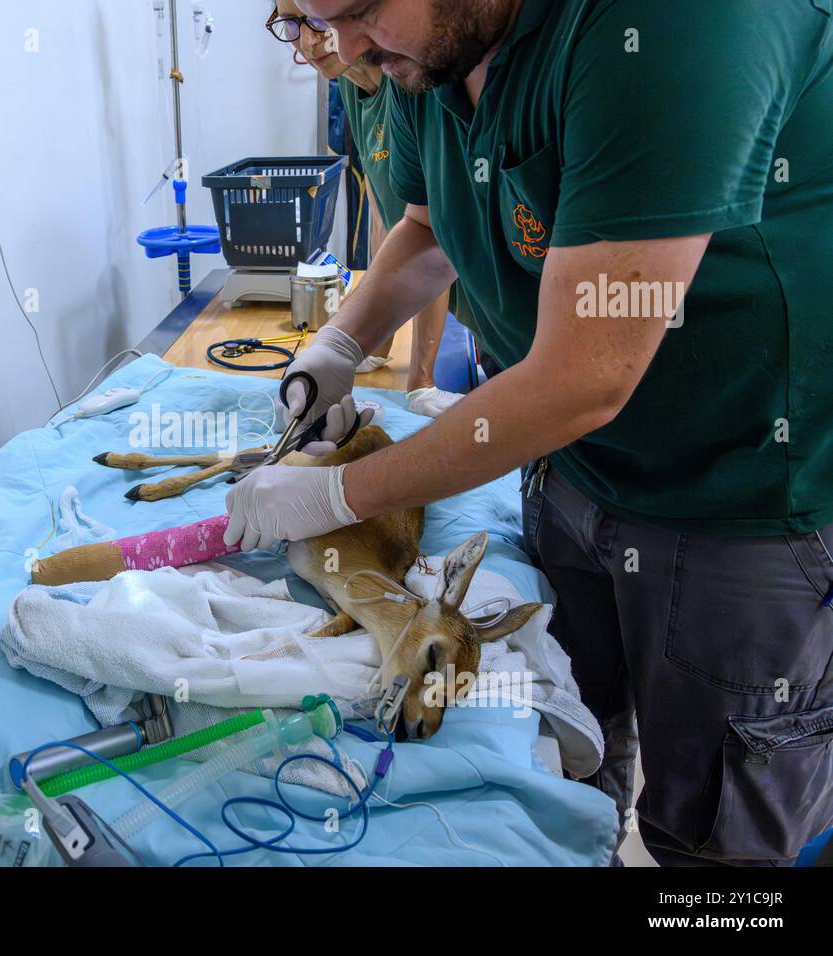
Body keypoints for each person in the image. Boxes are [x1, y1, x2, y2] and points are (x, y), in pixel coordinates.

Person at [229, 0, 833, 867]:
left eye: (359, 10)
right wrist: (338, 343)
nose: (344, 47)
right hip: (569, 470)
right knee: (566, 754)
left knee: (719, 845)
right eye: (312, 16)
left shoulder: (679, 24)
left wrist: (336, 494)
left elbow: (581, 379)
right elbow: (430, 231)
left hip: (741, 493)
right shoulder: (428, 48)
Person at [268, 0, 462, 417]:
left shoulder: (412, 81)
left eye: (317, 22)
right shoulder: (352, 87)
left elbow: (436, 236)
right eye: (291, 24)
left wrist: (421, 382)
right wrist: (366, 344)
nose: (307, 41)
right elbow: (385, 218)